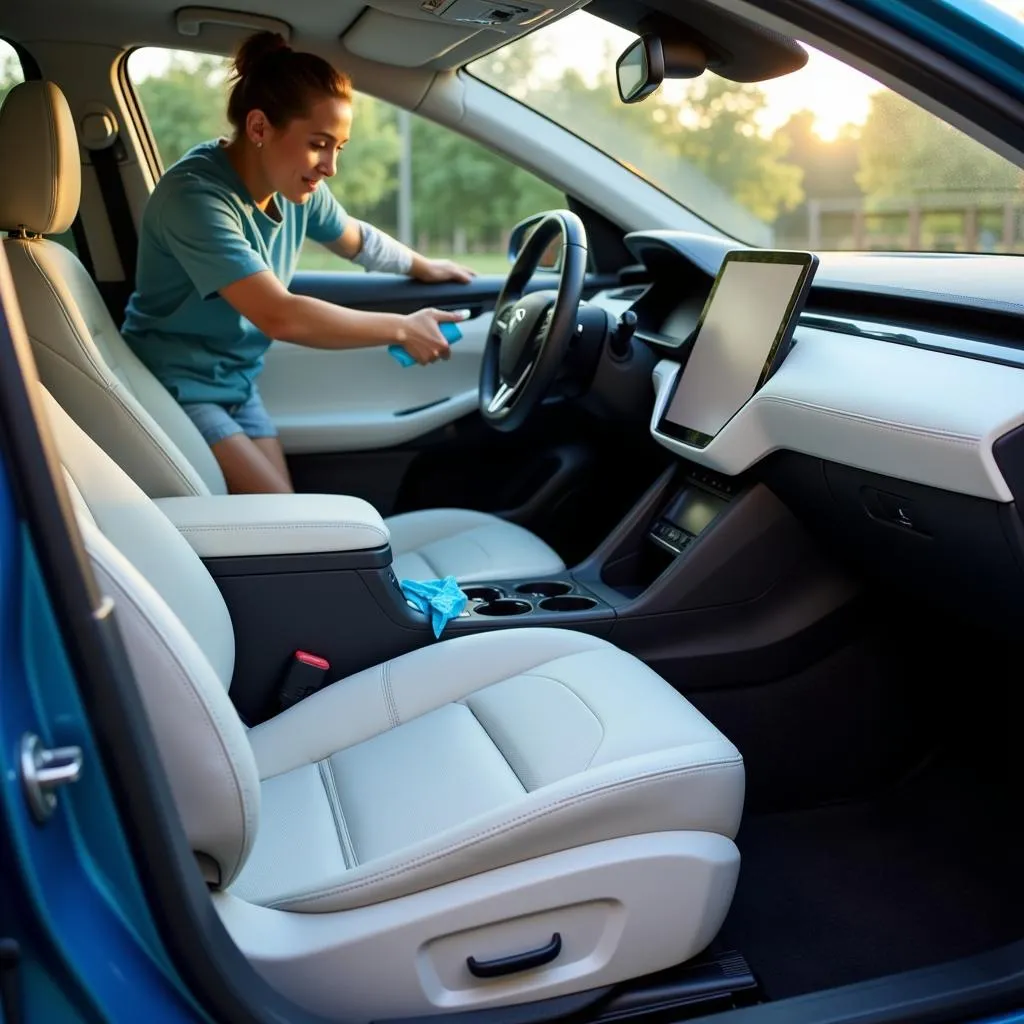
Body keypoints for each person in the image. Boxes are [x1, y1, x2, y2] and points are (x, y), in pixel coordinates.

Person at [121, 31, 475, 495]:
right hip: (175, 385)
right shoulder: (195, 199)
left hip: (236, 383)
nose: (330, 166)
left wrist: (423, 267)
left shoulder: (296, 187)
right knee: (280, 519)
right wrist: (403, 327)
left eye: (338, 148)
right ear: (260, 128)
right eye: (319, 143)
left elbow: (357, 240)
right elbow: (280, 316)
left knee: (286, 520)